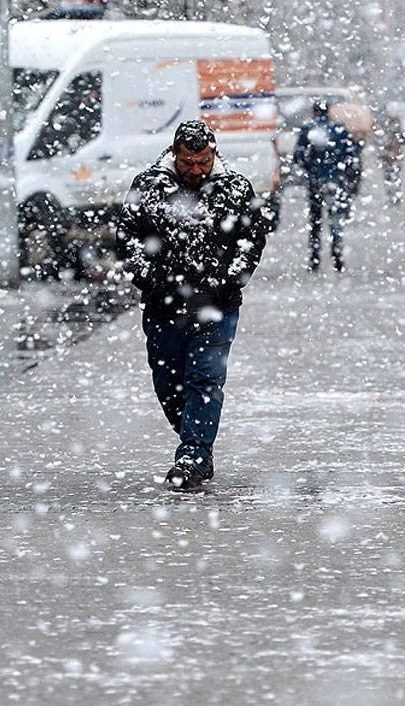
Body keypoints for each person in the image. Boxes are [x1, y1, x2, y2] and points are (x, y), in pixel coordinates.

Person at [118, 119, 270, 490]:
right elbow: (127, 237)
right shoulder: (149, 186)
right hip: (163, 306)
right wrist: (147, 278)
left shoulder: (235, 189)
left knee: (205, 379)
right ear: (175, 154)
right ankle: (193, 437)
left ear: (214, 153)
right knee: (168, 383)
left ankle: (193, 456)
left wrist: (230, 280)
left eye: (203, 162)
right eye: (188, 163)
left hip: (216, 307)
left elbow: (251, 240)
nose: (196, 170)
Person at [295, 100, 360, 272]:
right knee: (335, 219)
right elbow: (352, 157)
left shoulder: (308, 130)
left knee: (316, 221)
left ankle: (315, 257)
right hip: (336, 181)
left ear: (314, 112)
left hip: (315, 181)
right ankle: (337, 252)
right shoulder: (339, 130)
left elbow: (299, 156)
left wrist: (310, 168)